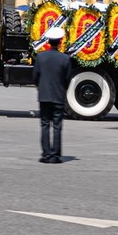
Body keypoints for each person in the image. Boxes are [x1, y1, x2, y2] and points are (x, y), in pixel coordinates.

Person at [32, 27, 73, 164]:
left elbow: (35, 77)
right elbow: (68, 79)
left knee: (44, 125)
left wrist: (40, 88)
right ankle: (55, 155)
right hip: (58, 96)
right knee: (57, 126)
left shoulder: (40, 57)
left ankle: (46, 154)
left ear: (48, 42)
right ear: (60, 42)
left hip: (44, 96)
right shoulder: (65, 59)